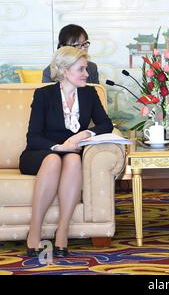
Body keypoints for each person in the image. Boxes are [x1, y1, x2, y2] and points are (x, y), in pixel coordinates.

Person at [20, 46, 113, 257]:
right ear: (64, 70)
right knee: (54, 159)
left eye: (86, 69)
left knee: (72, 159)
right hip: (40, 153)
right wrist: (60, 147)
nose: (87, 74)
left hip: (71, 153)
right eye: (81, 69)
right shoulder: (44, 94)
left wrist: (83, 135)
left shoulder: (89, 93)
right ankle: (34, 230)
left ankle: (62, 231)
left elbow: (105, 124)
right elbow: (33, 137)